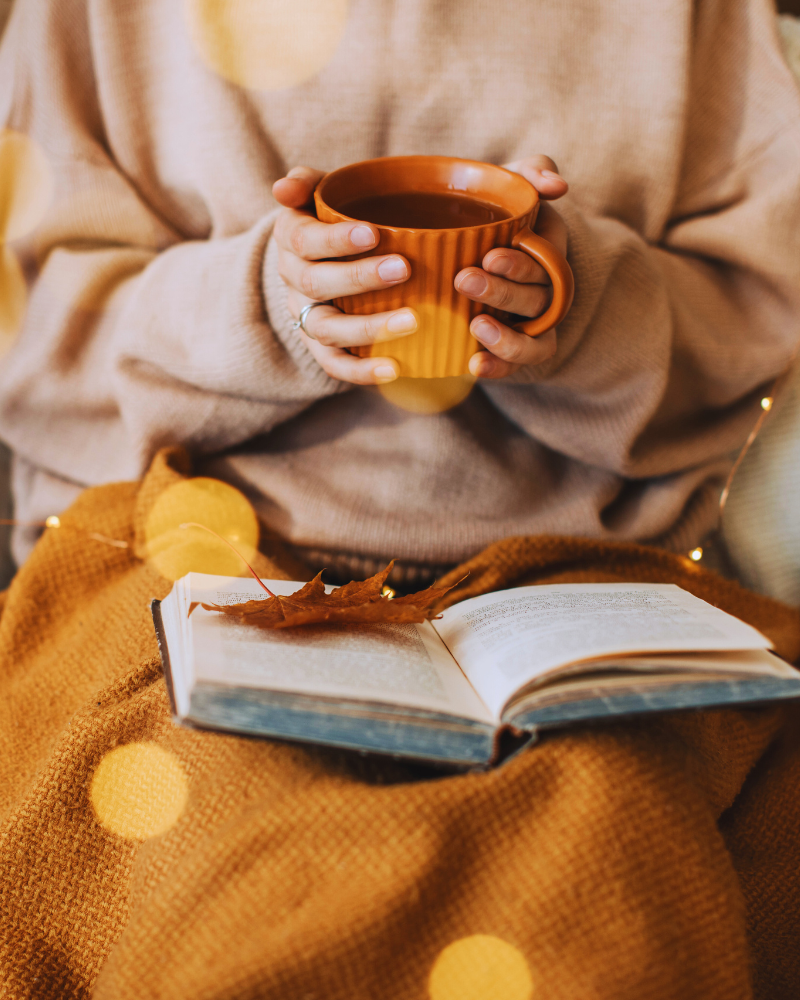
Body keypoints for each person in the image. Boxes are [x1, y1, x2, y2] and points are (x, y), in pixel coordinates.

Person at [0, 0, 798, 591]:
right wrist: (272, 305)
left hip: (580, 576)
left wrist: (576, 301)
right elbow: (36, 333)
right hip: (174, 551)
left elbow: (758, 313)